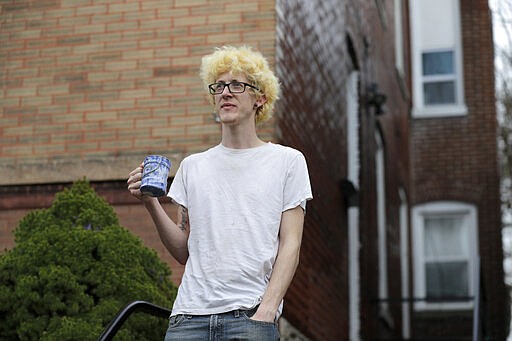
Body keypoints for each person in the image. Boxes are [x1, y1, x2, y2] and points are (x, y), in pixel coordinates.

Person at [127, 45, 312, 340]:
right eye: (219, 86)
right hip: (187, 320)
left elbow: (291, 244)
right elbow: (184, 251)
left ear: (260, 98)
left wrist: (266, 311)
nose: (226, 92)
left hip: (250, 318)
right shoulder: (193, 167)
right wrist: (151, 203)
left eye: (237, 85)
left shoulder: (287, 161)